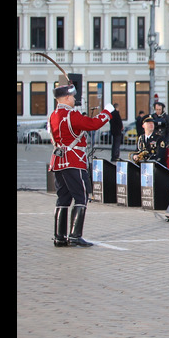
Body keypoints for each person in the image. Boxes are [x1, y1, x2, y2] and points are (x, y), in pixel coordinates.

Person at [49, 84, 114, 247]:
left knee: (63, 198)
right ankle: (74, 235)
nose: (74, 100)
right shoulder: (71, 115)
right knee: (81, 196)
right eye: (72, 97)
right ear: (65, 98)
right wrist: (107, 112)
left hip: (58, 161)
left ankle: (59, 237)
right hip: (73, 160)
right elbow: (93, 124)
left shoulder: (53, 115)